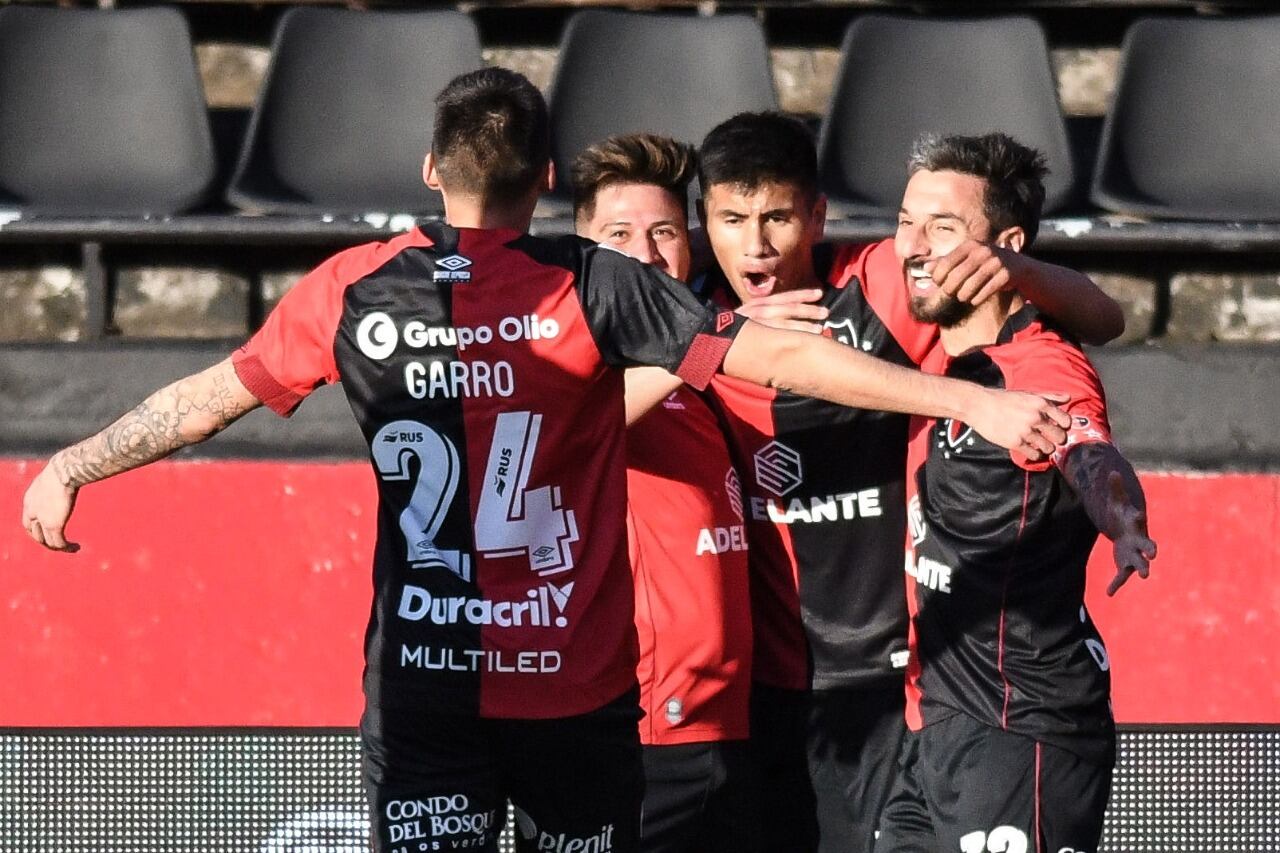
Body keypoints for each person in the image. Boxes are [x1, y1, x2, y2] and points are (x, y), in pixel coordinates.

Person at [20, 70, 1072, 853]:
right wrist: (967, 396)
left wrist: (77, 461)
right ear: (547, 181)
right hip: (574, 695)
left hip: (424, 686)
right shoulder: (592, 284)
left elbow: (208, 399)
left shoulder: (355, 286)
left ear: (431, 171)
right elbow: (787, 354)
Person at [627, 111, 1125, 853]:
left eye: (778, 219)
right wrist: (716, 339)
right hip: (754, 691)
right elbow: (578, 414)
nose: (756, 245)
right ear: (706, 223)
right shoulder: (683, 318)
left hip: (885, 684)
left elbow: (1101, 319)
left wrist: (1015, 272)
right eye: (732, 221)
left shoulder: (883, 285)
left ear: (817, 217)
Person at [876, 131, 1157, 853]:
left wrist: (1122, 516)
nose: (913, 246)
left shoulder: (1038, 363)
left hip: (1021, 726)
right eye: (905, 221)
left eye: (942, 228)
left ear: (1005, 248)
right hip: (935, 725)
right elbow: (1106, 312)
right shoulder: (938, 347)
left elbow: (1086, 449)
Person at [572, 132, 758, 853]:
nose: (646, 255)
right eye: (619, 235)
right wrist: (720, 339)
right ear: (582, 250)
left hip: (728, 721)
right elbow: (581, 419)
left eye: (665, 232)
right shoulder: (576, 366)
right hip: (644, 729)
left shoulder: (703, 366)